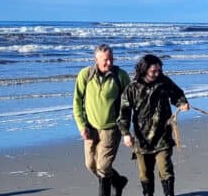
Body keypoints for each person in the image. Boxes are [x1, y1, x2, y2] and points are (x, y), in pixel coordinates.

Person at [118, 54, 189, 196]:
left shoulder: (164, 82)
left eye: (159, 70)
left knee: (165, 169)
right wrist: (125, 133)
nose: (157, 73)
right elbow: (124, 113)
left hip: (163, 135)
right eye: (153, 71)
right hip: (142, 139)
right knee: (145, 173)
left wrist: (182, 103)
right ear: (144, 70)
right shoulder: (132, 88)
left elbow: (177, 94)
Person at [73, 44, 131, 196]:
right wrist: (81, 126)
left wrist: (126, 130)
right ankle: (118, 181)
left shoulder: (121, 76)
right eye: (105, 60)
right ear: (96, 59)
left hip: (111, 128)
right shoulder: (85, 75)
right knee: (90, 165)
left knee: (103, 167)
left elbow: (129, 103)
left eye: (111, 59)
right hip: (90, 128)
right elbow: (77, 101)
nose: (109, 63)